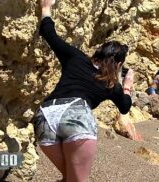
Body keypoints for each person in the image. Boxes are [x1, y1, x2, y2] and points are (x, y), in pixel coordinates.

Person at [33, 0, 134, 181]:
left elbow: (49, 34)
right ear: (118, 64)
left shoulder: (76, 57)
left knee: (69, 177)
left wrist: (46, 7)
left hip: (45, 116)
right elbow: (125, 107)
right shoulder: (111, 85)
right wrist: (126, 85)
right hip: (76, 115)